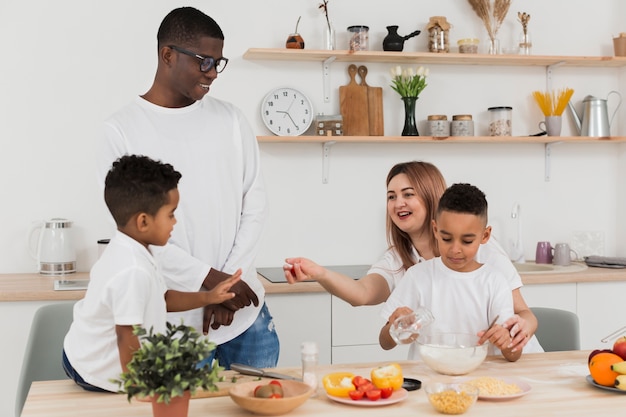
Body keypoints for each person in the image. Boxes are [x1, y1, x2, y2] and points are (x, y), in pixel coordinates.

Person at [96, 7, 279, 369]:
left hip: (245, 313)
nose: (212, 73)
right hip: (171, 325)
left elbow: (254, 204)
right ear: (167, 55)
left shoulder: (231, 119)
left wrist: (226, 287)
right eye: (204, 61)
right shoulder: (121, 129)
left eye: (218, 62)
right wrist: (209, 285)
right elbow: (135, 231)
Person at [285, 161, 539, 353]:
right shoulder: (402, 260)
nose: (398, 204)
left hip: (509, 362)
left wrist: (519, 330)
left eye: (408, 194)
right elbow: (362, 293)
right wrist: (319, 273)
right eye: (391, 196)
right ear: (438, 228)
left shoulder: (482, 248)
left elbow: (524, 313)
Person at [63, 155, 241, 392]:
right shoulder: (132, 269)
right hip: (95, 370)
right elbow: (127, 335)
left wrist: (208, 297)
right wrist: (142, 389)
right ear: (144, 222)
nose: (175, 222)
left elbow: (162, 299)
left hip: (88, 353)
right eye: (171, 214)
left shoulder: (133, 248)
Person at [379, 183, 522, 362]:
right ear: (435, 230)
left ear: (485, 236)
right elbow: (384, 342)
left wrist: (506, 341)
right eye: (446, 239)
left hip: (478, 380)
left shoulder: (494, 281)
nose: (455, 249)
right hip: (427, 379)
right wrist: (395, 327)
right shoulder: (417, 276)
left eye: (467, 241)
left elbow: (513, 355)